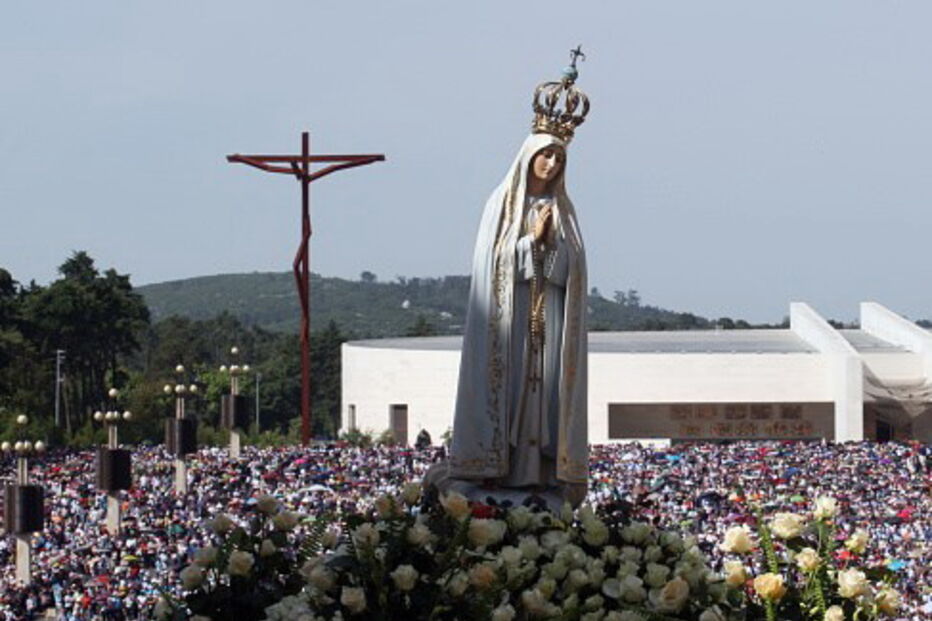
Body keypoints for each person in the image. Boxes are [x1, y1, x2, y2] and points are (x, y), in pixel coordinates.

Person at [446, 53, 590, 507]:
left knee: (544, 396)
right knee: (510, 394)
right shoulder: (502, 206)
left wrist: (555, 249)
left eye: (558, 157)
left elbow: (575, 273)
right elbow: (492, 265)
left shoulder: (565, 212)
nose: (550, 164)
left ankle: (542, 471)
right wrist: (530, 243)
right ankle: (497, 468)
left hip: (548, 320)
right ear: (528, 157)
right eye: (544, 155)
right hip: (508, 325)